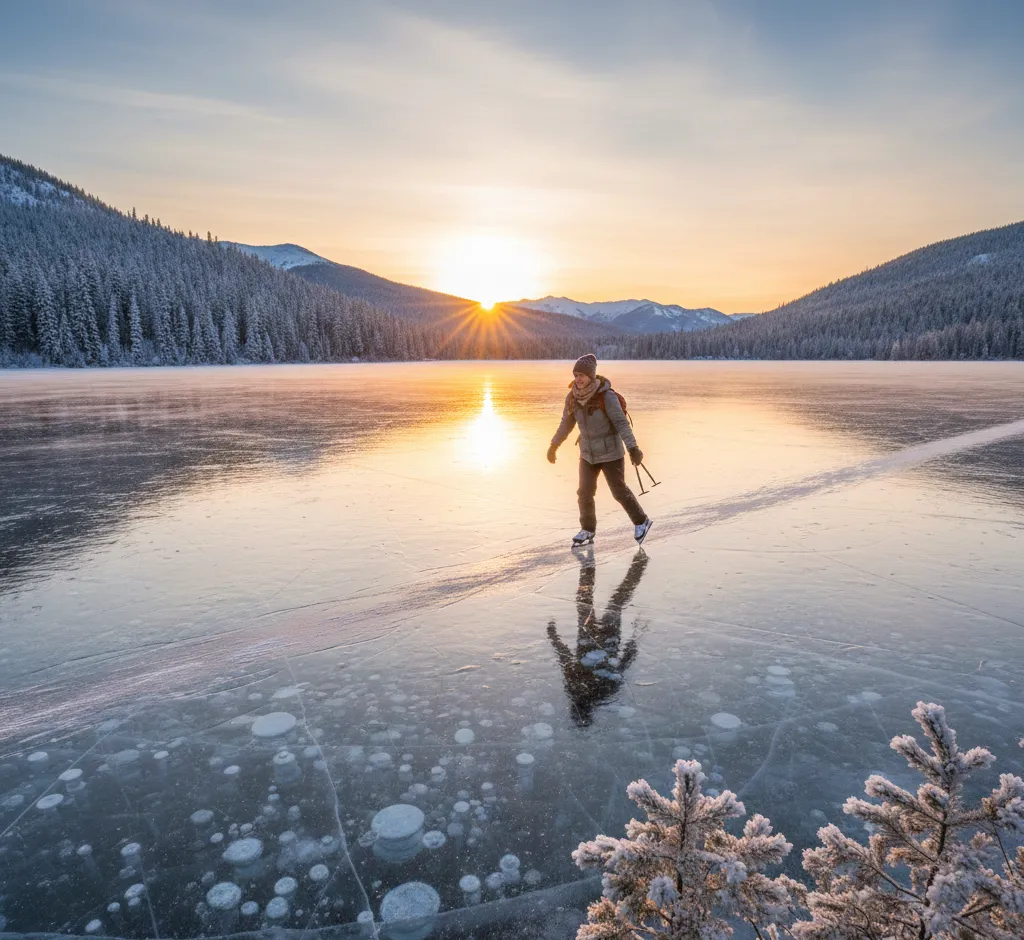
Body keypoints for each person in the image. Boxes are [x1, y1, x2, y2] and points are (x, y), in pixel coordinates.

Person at [547, 353, 653, 546]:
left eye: (582, 375)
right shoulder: (572, 398)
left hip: (610, 451)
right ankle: (587, 530)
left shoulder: (606, 396)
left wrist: (633, 448)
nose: (578, 379)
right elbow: (566, 424)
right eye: (576, 375)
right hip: (587, 453)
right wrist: (554, 445)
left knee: (618, 491)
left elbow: (621, 423)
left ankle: (642, 521)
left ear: (592, 376)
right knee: (584, 493)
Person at [546, 545, 648, 726]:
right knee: (591, 601)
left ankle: (635, 569)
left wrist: (632, 647)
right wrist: (554, 637)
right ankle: (589, 569)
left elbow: (621, 666)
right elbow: (566, 659)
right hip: (593, 636)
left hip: (604, 638)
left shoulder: (598, 691)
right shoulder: (581, 688)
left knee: (614, 602)